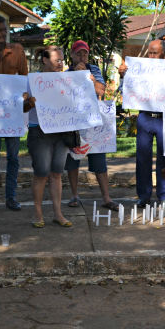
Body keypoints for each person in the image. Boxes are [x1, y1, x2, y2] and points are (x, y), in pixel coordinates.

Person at [65, 40, 119, 211]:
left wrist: (90, 79)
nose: (82, 57)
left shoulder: (94, 69)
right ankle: (74, 195)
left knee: (99, 162)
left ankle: (106, 198)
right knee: (73, 160)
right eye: (78, 53)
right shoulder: (66, 73)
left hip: (93, 122)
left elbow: (101, 90)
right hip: (74, 122)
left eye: (85, 53)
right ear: (72, 55)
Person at [0, 15, 28, 213]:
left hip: (13, 113)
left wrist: (25, 94)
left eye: (5, 29)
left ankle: (11, 197)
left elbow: (25, 79)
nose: (3, 33)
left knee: (13, 157)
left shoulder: (17, 50)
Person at [118, 39, 165, 207]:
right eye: (150, 52)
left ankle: (163, 195)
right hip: (145, 118)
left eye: (156, 53)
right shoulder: (138, 70)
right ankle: (144, 195)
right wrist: (122, 76)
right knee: (142, 157)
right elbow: (125, 91)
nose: (152, 56)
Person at [24, 46, 72, 228]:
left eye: (62, 60)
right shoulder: (32, 80)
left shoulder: (67, 81)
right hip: (40, 132)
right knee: (42, 173)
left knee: (57, 174)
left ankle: (58, 213)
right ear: (45, 60)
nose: (61, 64)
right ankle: (38, 213)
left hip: (62, 133)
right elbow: (23, 108)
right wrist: (29, 103)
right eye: (56, 60)